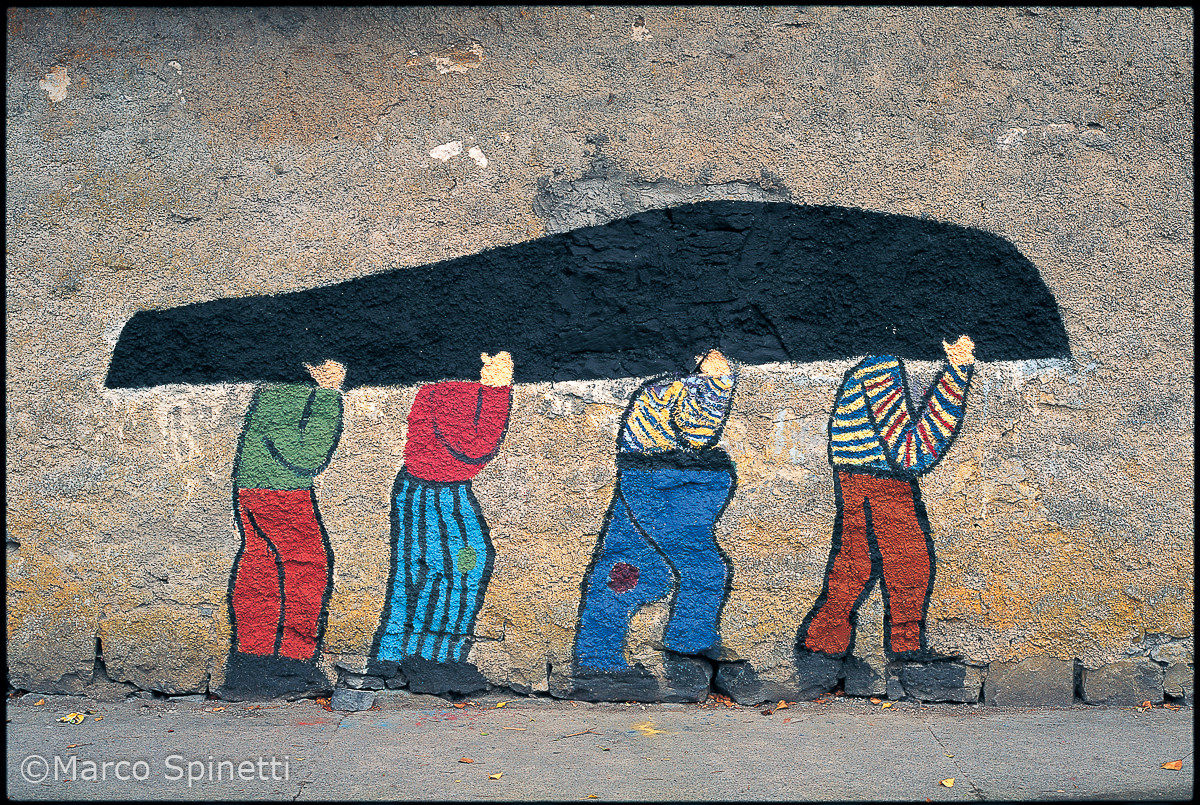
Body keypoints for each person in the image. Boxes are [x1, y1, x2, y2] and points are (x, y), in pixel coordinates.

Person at [795, 335, 976, 686]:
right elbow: (912, 454)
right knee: (905, 560)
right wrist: (956, 373)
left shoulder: (885, 367)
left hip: (870, 475)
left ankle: (824, 645)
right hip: (876, 478)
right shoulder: (880, 370)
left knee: (860, 563)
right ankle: (899, 650)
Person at [574, 349, 738, 695]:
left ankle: (597, 661)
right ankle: (687, 651)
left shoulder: (660, 391)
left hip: (645, 472)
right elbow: (698, 434)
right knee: (702, 568)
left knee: (628, 570)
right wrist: (719, 381)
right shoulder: (683, 389)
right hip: (658, 478)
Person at [370, 352, 513, 689]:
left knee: (431, 572)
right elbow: (475, 448)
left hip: (435, 489)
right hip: (433, 490)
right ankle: (429, 660)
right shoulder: (447, 390)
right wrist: (497, 390)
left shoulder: (449, 387)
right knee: (460, 566)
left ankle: (404, 657)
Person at [220, 359, 346, 699]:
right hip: (279, 493)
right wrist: (329, 394)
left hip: (255, 489)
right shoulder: (285, 392)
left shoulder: (275, 388)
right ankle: (295, 662)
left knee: (260, 569)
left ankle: (251, 662)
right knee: (309, 567)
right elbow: (307, 455)